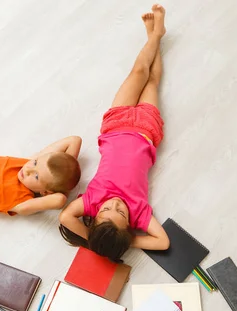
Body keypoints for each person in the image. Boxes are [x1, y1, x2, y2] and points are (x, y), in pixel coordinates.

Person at [59, 4, 169, 262]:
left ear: (95, 217)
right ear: (129, 226)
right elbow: (162, 242)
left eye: (106, 210)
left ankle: (155, 35)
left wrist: (95, 240)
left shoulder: (95, 199)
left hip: (116, 125)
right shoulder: (139, 211)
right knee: (152, 81)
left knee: (138, 73)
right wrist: (125, 241)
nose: (115, 204)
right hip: (145, 129)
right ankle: (156, 36)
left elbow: (65, 217)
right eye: (120, 212)